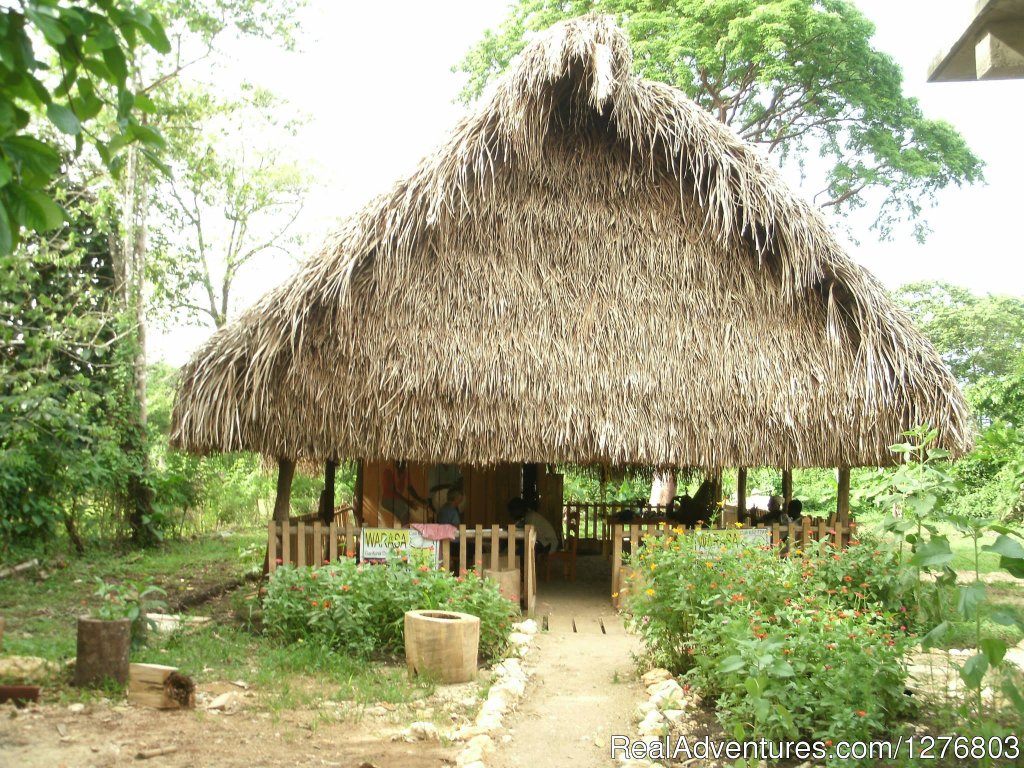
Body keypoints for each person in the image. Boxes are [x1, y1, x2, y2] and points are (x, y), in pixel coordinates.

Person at [381, 460, 428, 525]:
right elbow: (393, 490)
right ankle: (404, 532)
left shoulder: (405, 473)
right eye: (401, 463)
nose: (403, 465)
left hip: (399, 500)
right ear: (396, 463)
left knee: (417, 511)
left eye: (404, 464)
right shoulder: (388, 472)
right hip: (388, 500)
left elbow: (410, 488)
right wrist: (408, 502)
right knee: (405, 512)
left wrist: (420, 499)